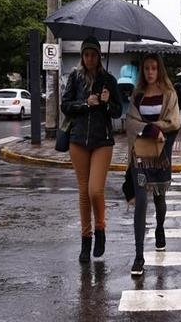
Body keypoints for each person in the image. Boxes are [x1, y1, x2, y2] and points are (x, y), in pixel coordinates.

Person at [60, 36, 123, 263]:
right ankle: (85, 240)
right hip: (78, 140)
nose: (89, 58)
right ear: (82, 56)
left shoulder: (109, 80)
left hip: (102, 141)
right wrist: (86, 103)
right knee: (83, 192)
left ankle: (101, 230)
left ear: (99, 56)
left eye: (93, 54)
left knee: (95, 190)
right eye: (86, 54)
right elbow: (65, 105)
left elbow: (118, 112)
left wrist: (106, 102)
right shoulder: (75, 78)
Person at [125, 53, 181, 275]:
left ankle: (159, 228)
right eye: (146, 68)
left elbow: (174, 122)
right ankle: (139, 256)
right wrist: (151, 129)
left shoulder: (169, 95)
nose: (150, 72)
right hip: (140, 154)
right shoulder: (137, 96)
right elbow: (131, 122)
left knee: (159, 199)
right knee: (140, 201)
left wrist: (156, 129)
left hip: (160, 154)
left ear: (159, 70)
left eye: (153, 68)